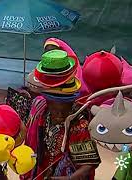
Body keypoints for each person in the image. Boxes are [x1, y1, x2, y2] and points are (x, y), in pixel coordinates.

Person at [22, 49, 101, 179]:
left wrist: (70, 178)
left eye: (64, 110)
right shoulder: (41, 110)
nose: (59, 114)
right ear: (47, 101)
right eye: (55, 109)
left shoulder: (78, 125)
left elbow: (89, 164)